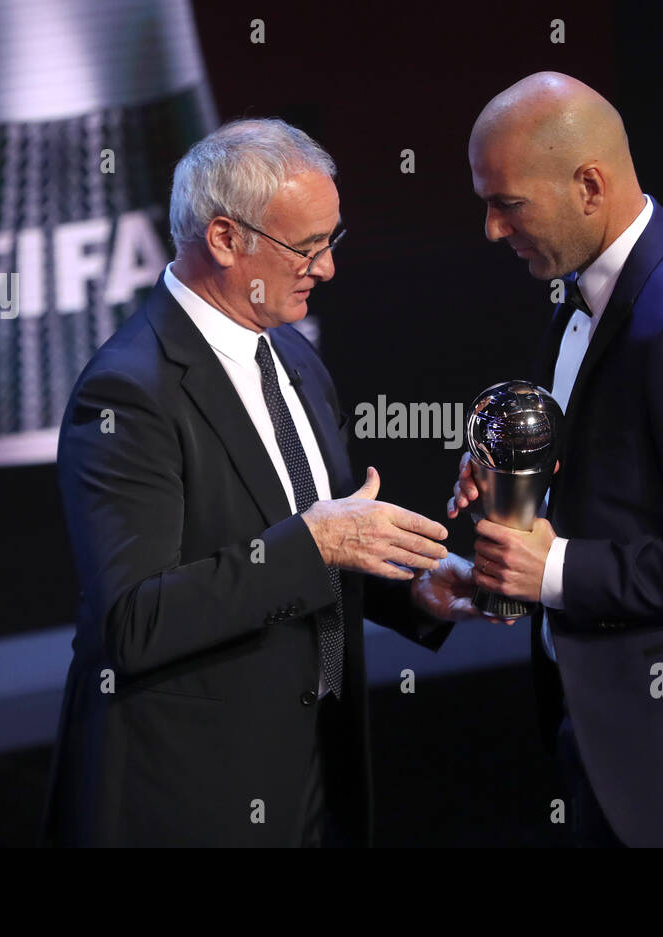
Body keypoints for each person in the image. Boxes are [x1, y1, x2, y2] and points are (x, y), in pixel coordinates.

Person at [43, 118, 478, 847]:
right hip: (187, 802)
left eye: (331, 242)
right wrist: (319, 542)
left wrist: (417, 590)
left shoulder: (296, 360)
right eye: (307, 248)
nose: (328, 268)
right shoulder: (128, 393)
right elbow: (133, 622)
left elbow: (314, 560)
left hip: (312, 783)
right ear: (224, 240)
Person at [450, 73, 663, 847]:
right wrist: (516, 480)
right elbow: (616, 475)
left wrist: (554, 572)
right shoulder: (587, 289)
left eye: (506, 203)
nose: (490, 229)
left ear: (588, 185)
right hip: (607, 739)